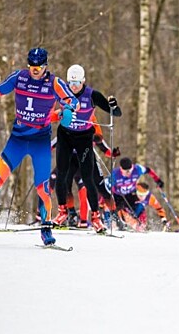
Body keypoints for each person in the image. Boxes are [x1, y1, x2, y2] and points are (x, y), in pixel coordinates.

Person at [0, 47, 79, 246]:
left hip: (40, 142)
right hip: (17, 139)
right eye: (32, 66)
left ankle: (46, 227)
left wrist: (68, 108)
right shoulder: (19, 77)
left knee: (43, 188)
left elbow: (74, 101)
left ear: (46, 66)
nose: (35, 70)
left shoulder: (54, 82)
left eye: (39, 67)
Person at [54, 64, 122, 232]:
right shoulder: (61, 91)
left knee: (88, 178)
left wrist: (113, 105)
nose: (74, 86)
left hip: (84, 138)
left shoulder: (92, 95)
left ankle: (96, 218)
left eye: (77, 83)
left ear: (83, 81)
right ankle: (62, 212)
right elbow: (47, 110)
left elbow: (116, 113)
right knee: (61, 176)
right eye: (71, 83)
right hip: (65, 136)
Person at [109, 157, 164, 231]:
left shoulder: (137, 169)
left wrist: (158, 180)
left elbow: (149, 170)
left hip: (131, 193)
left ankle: (142, 226)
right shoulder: (115, 174)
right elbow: (106, 186)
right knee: (120, 210)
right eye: (126, 171)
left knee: (140, 207)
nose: (129, 173)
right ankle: (122, 225)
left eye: (130, 170)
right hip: (118, 196)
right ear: (121, 169)